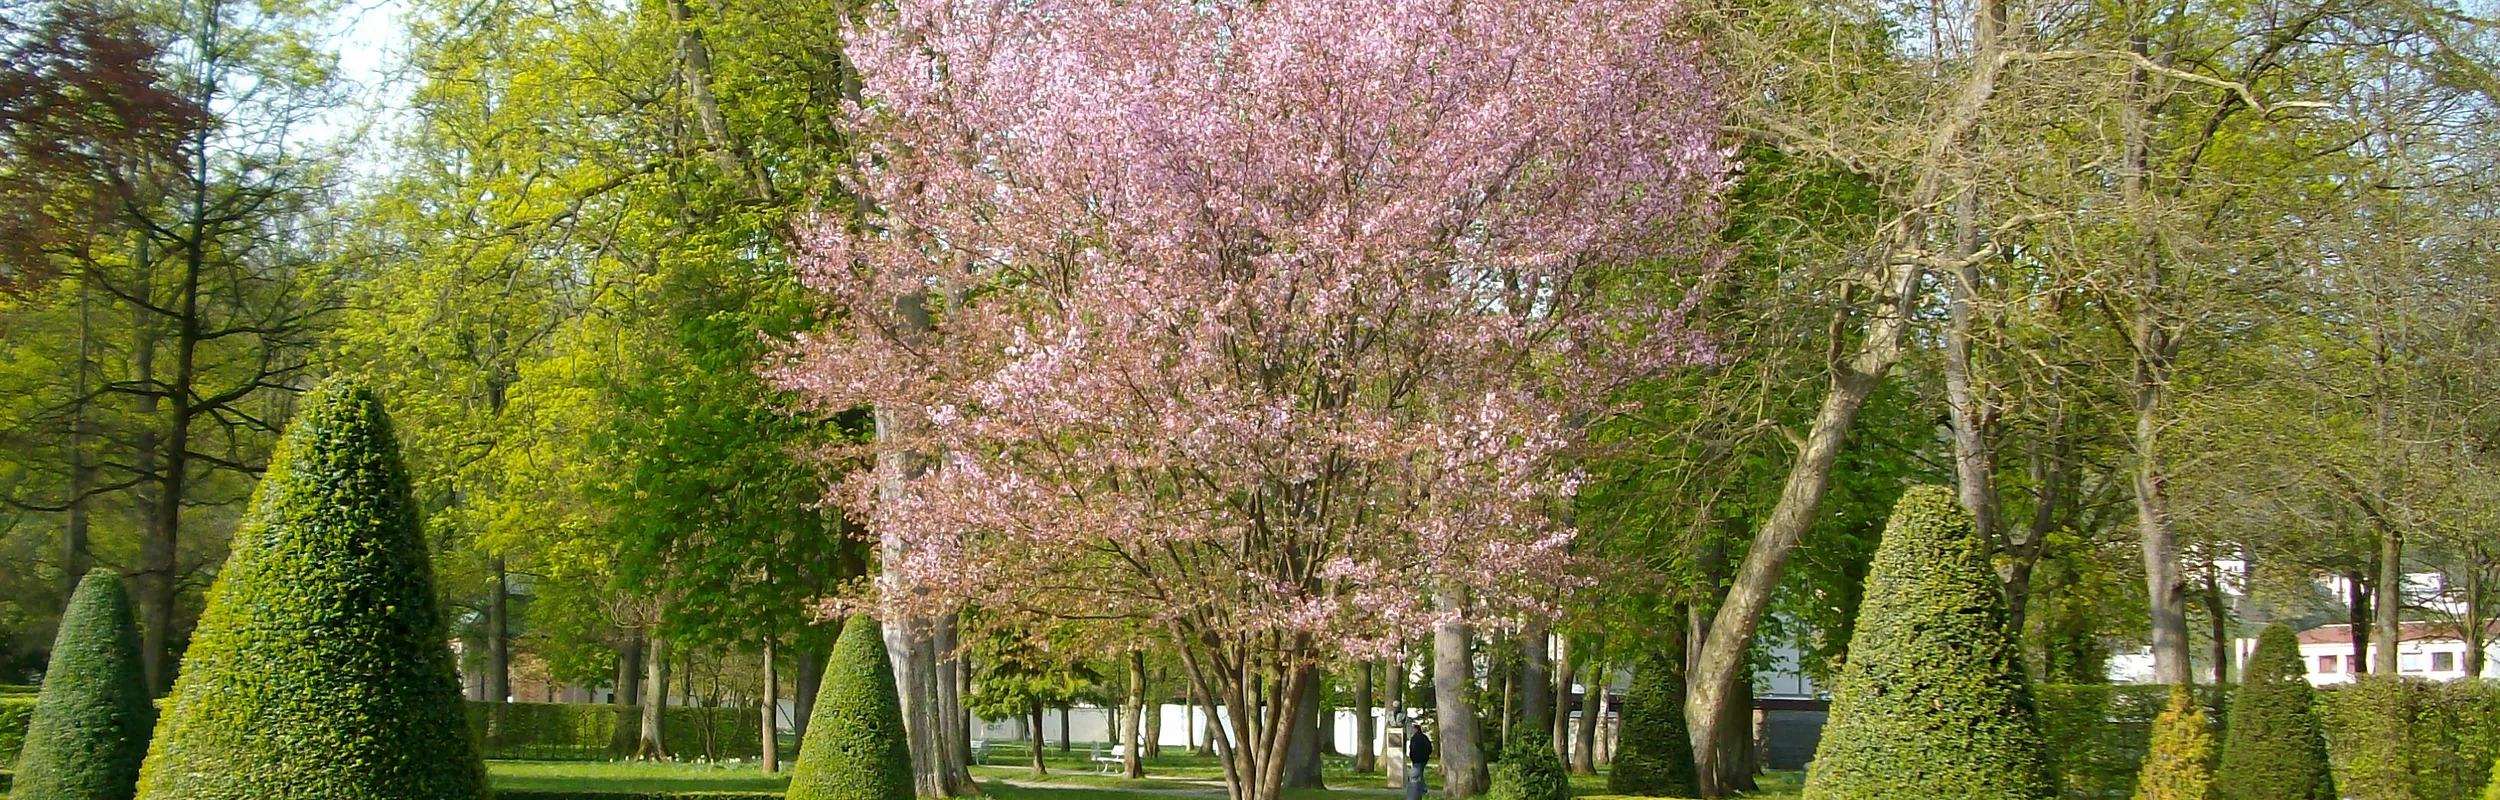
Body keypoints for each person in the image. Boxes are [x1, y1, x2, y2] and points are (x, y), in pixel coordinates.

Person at [1404, 717, 1433, 800]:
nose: (1412, 730)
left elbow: (1413, 749)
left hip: (1417, 759)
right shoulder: (1424, 737)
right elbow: (1429, 748)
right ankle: (1422, 788)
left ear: (1416, 729)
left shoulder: (1415, 739)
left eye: (1413, 729)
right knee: (1420, 773)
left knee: (1417, 774)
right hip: (1424, 759)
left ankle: (1423, 788)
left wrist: (1412, 757)